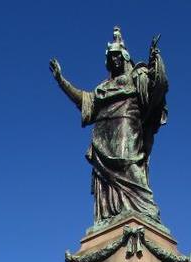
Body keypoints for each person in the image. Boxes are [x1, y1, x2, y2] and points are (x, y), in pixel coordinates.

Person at [50, 27, 168, 226]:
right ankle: (111, 217)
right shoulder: (102, 88)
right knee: (106, 188)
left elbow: (157, 87)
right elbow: (84, 100)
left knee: (131, 171)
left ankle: (143, 211)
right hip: (102, 139)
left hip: (126, 131)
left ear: (125, 56)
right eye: (111, 57)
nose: (114, 60)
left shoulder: (136, 75)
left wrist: (156, 61)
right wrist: (62, 81)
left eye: (117, 56)